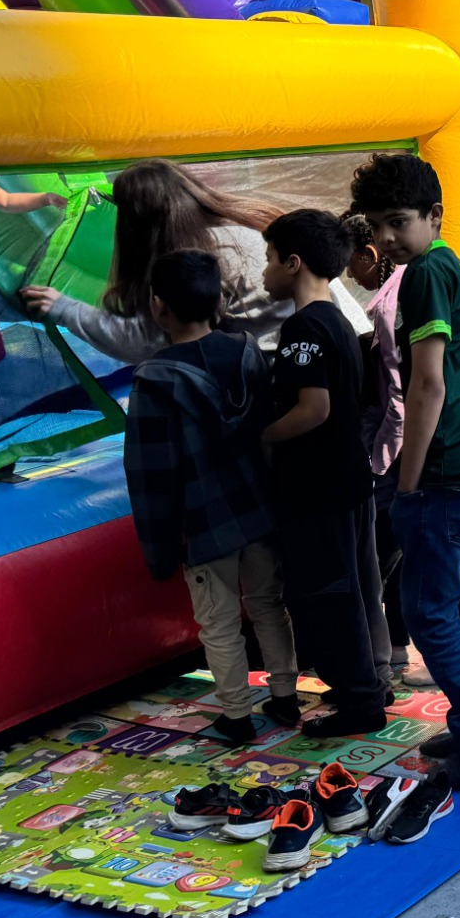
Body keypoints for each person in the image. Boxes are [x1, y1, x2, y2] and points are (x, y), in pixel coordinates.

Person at [351, 153, 460, 785]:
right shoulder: (452, 264)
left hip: (451, 466)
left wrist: (407, 481)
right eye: (377, 226)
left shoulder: (424, 274)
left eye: (398, 222)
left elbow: (427, 385)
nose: (387, 238)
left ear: (435, 216)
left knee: (429, 611)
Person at [124, 249, 296, 746]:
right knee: (268, 602)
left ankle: (237, 715)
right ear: (218, 301)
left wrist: (159, 549)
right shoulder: (246, 352)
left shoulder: (154, 380)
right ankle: (285, 695)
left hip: (204, 522)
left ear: (158, 306)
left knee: (218, 620)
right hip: (259, 508)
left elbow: (149, 473)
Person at [259, 208, 385, 737]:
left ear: (294, 263)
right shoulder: (337, 318)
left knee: (327, 593)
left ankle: (361, 702)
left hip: (318, 485)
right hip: (348, 476)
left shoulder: (303, 327)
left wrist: (261, 436)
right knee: (353, 584)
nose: (263, 271)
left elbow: (314, 408)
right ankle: (367, 683)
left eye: (269, 259)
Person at [20, 159, 284, 362]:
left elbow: (149, 342)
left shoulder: (192, 262)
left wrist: (65, 309)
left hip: (258, 384)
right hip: (289, 368)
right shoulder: (243, 230)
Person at [344, 213, 409, 687]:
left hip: (392, 450)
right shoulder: (393, 297)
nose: (349, 274)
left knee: (387, 548)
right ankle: (398, 641)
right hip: (396, 445)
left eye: (351, 264)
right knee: (396, 550)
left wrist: (380, 458)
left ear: (369, 255)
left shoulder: (390, 304)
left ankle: (393, 646)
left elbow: (397, 396)